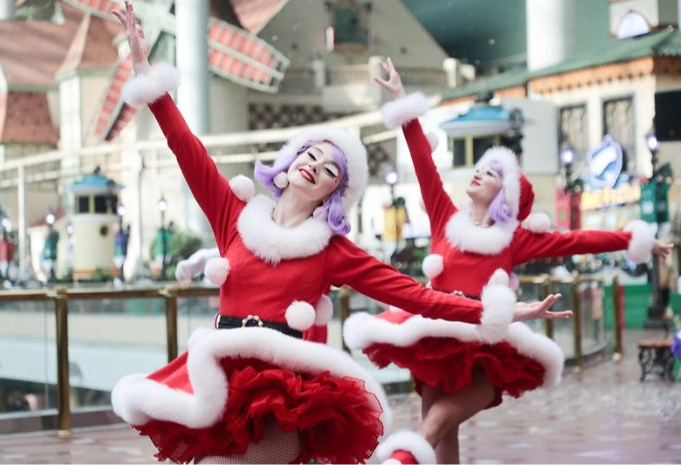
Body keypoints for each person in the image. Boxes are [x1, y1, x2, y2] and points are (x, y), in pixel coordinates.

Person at [110, 4, 564, 464]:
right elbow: (187, 149)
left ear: (334, 193)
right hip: (218, 377)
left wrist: (504, 312)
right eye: (309, 154)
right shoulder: (234, 214)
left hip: (281, 390)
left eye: (331, 168)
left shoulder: (331, 250)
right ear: (288, 166)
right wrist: (145, 69)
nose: (315, 165)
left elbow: (416, 297)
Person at [344, 58, 675, 465]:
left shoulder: (514, 239)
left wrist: (633, 238)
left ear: (508, 195)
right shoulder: (445, 217)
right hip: (435, 332)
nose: (479, 175)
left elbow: (577, 240)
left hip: (485, 336)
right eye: (479, 169)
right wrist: (403, 105)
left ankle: (400, 460)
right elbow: (424, 164)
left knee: (435, 424)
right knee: (441, 427)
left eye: (491, 173)